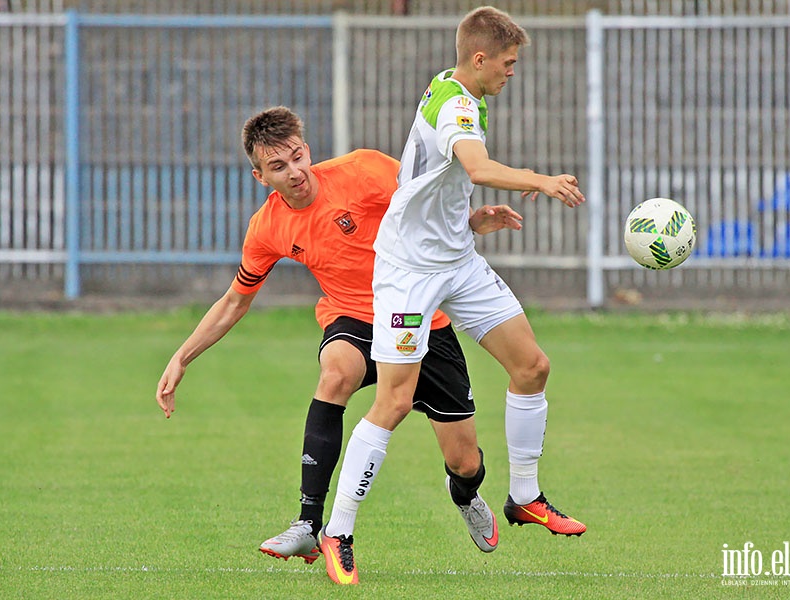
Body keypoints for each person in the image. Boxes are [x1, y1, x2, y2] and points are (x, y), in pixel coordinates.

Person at [155, 106, 523, 578]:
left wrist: (473, 221)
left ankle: (466, 494)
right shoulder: (267, 228)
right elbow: (234, 301)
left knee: (465, 460)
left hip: (419, 316)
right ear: (260, 177)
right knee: (336, 372)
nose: (294, 173)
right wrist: (181, 357)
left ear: (306, 150)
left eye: (296, 157)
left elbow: (430, 208)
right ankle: (309, 524)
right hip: (352, 317)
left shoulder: (363, 171)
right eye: (278, 168)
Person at [321, 6, 587, 585]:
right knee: (393, 402)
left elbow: (432, 176)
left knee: (532, 366)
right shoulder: (458, 103)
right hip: (409, 272)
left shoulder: (459, 86)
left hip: (457, 260)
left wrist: (466, 220)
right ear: (480, 58)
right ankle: (336, 532)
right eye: (509, 63)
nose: (514, 72)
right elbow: (475, 162)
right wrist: (542, 180)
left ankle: (524, 496)